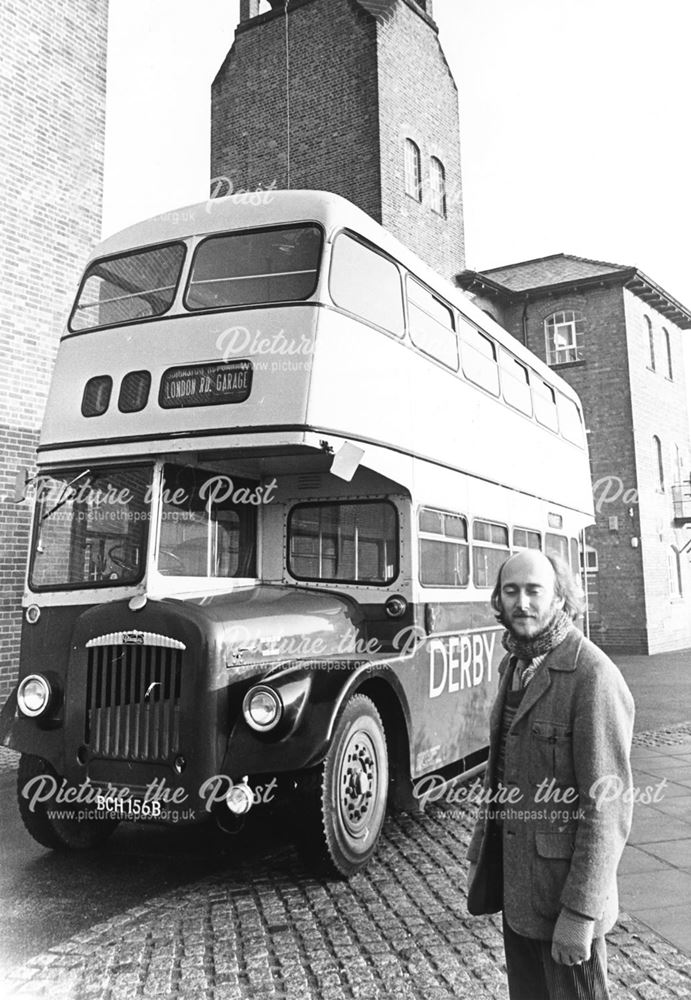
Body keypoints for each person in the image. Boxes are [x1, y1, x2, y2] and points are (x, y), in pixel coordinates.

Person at [466, 550, 634, 1000]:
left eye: (534, 590)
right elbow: (499, 776)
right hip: (520, 892)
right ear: (498, 601)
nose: (522, 602)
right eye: (511, 591)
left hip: (564, 902)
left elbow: (608, 811)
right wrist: (481, 854)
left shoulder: (593, 676)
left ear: (560, 598)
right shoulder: (515, 664)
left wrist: (580, 915)